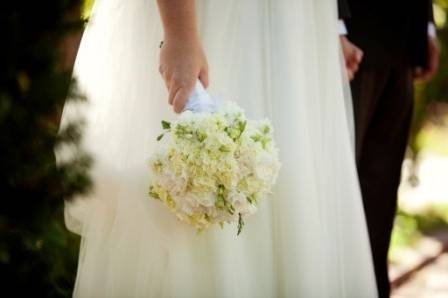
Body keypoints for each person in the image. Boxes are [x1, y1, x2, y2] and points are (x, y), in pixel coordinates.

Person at [59, 0, 378, 296]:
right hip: (222, 21)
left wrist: (331, 27)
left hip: (294, 27)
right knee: (205, 228)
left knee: (293, 198)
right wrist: (180, 34)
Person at [339, 1, 439, 297]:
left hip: (404, 43)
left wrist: (425, 26)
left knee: (381, 196)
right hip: (353, 37)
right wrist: (335, 25)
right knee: (342, 192)